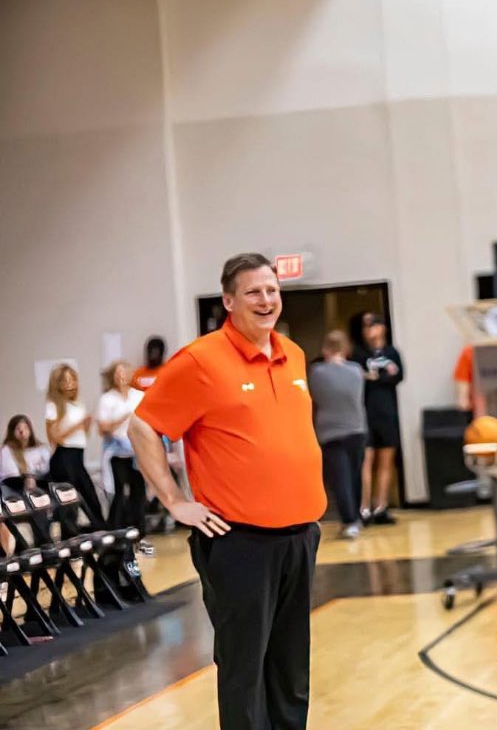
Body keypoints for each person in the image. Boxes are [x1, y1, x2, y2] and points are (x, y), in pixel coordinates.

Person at [128, 252, 325, 730]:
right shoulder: (201, 359)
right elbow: (143, 426)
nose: (266, 300)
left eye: (272, 290)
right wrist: (175, 500)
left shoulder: (292, 353)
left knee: (291, 665)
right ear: (229, 300)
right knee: (244, 667)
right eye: (254, 292)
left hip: (300, 534)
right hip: (238, 541)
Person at [308, 330, 367, 539]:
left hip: (330, 432)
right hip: (357, 429)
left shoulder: (317, 372)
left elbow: (313, 397)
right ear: (346, 349)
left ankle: (349, 520)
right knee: (355, 475)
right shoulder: (356, 370)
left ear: (325, 349)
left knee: (339, 479)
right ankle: (357, 517)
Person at [350, 313, 404, 524]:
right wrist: (373, 378)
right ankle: (363, 509)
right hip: (364, 414)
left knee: (386, 461)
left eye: (374, 325)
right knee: (366, 461)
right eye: (366, 326)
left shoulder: (392, 352)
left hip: (387, 414)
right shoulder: (357, 354)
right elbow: (355, 378)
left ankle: (380, 506)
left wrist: (377, 378)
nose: (371, 330)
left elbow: (398, 376)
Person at [44, 363, 102, 528]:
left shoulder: (78, 404)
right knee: (68, 505)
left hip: (78, 456)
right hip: (63, 457)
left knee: (91, 498)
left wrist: (86, 424)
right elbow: (55, 437)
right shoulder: (53, 405)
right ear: (58, 383)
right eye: (65, 380)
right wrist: (77, 425)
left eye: (72, 380)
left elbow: (83, 436)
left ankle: (102, 533)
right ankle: (69, 538)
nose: (70, 384)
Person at [97, 360, 147, 539]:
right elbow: (103, 428)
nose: (121, 376)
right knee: (118, 490)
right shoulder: (107, 399)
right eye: (117, 373)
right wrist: (124, 416)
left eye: (123, 372)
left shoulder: (139, 396)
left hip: (137, 450)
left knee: (138, 490)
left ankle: (139, 531)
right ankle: (115, 530)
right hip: (117, 451)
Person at [1, 415, 52, 553]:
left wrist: (33, 478)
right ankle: (41, 546)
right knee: (34, 500)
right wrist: (28, 478)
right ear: (12, 431)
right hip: (14, 491)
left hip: (37, 489)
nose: (22, 431)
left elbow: (47, 471)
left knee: (43, 498)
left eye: (25, 427)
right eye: (18, 428)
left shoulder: (40, 449)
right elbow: (9, 476)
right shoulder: (7, 450)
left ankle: (46, 546)